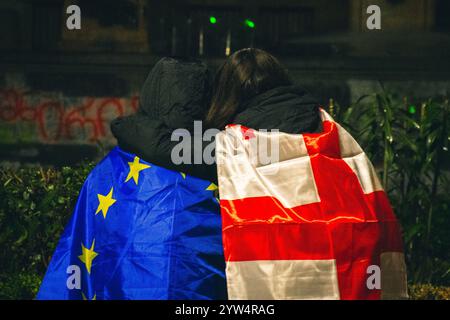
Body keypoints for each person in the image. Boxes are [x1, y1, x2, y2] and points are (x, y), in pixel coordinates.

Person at [37, 57, 227, 300]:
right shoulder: (221, 169)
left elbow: (79, 246)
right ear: (206, 103)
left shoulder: (108, 171)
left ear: (149, 97)